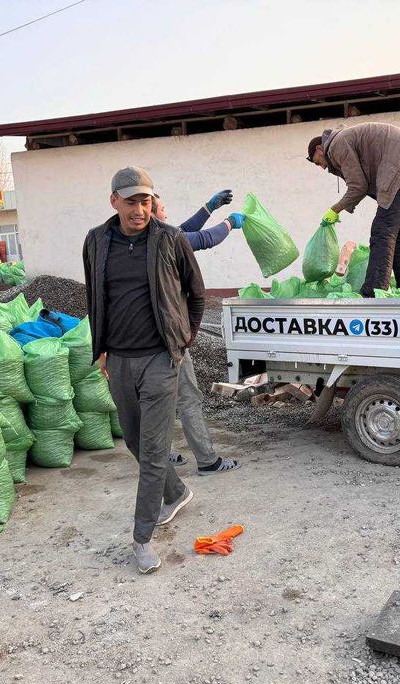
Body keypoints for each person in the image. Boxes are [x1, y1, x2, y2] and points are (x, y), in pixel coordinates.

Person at [82, 166, 205, 574]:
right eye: (132, 200)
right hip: (117, 359)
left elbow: (197, 294)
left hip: (159, 359)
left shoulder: (170, 239)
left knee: (153, 450)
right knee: (133, 441)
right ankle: (176, 491)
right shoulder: (97, 241)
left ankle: (142, 538)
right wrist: (100, 347)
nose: (140, 208)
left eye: (146, 200)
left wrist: (182, 343)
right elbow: (95, 295)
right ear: (114, 200)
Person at [151, 190, 244, 475]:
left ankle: (161, 455)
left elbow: (184, 231)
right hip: (170, 338)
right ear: (153, 214)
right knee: (188, 398)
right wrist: (229, 223)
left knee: (157, 399)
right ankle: (207, 461)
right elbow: (201, 239)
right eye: (163, 209)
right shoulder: (162, 240)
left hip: (148, 338)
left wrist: (208, 207)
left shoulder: (149, 240)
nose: (167, 214)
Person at [307, 122, 400, 297]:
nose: (321, 167)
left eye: (317, 162)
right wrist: (344, 207)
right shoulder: (343, 141)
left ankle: (373, 292)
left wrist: (335, 209)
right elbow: (361, 183)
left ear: (320, 149)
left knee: (382, 229)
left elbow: (357, 186)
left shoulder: (337, 145)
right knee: (396, 229)